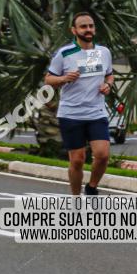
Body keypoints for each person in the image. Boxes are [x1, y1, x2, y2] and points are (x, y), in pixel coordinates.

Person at [44, 12, 114, 196]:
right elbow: (48, 79)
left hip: (96, 112)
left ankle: (91, 187)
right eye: (83, 26)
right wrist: (64, 78)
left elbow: (109, 74)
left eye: (91, 26)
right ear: (74, 30)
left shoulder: (104, 52)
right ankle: (75, 198)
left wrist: (107, 85)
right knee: (77, 160)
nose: (88, 29)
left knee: (103, 155)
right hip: (71, 114)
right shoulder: (64, 54)